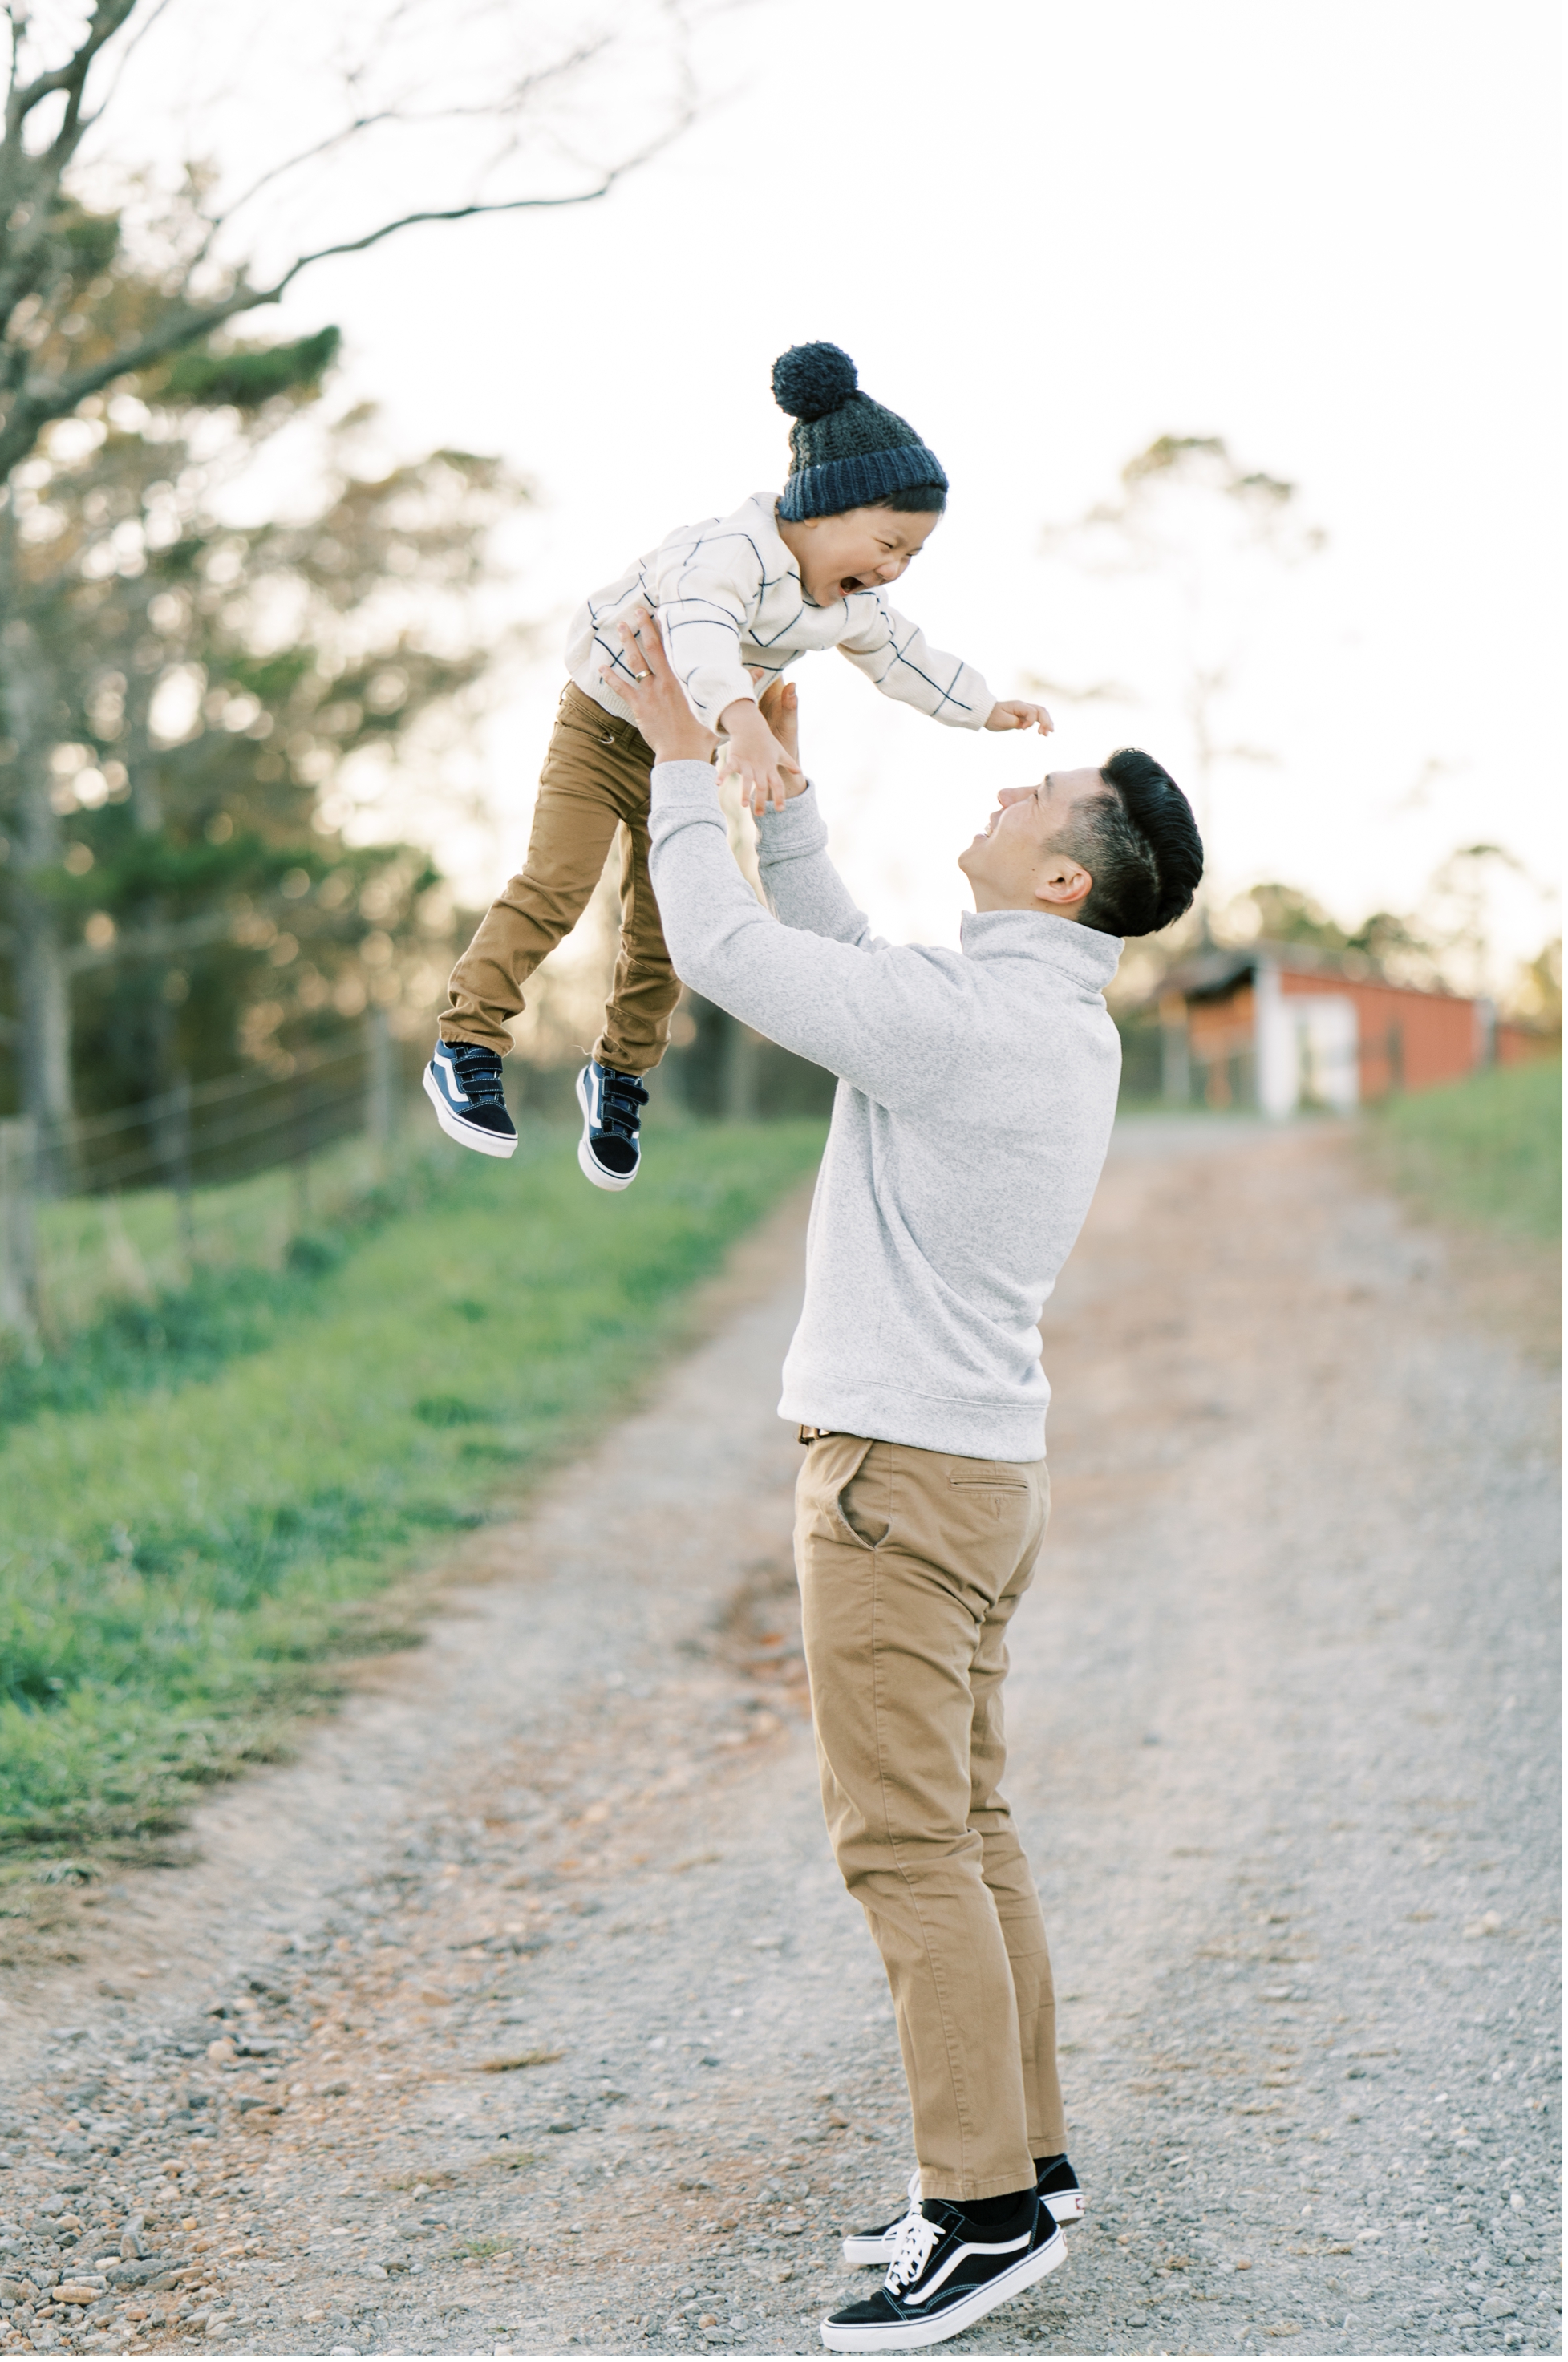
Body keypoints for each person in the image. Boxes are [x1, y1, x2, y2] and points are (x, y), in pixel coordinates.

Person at [607, 610, 1203, 2354]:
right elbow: (850, 950)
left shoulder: (972, 1026)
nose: (1017, 778)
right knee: (974, 1823)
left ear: (1067, 881)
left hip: (893, 1480)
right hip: (972, 1474)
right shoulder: (1024, 1014)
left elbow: (724, 951)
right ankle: (1025, 2159)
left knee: (905, 1844)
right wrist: (776, 792)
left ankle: (985, 2213)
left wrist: (673, 761)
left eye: (1049, 791)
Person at [422, 340, 1053, 1194]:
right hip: (605, 731)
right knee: (557, 883)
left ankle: (619, 1074)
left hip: (681, 760)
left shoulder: (846, 601)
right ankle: (466, 1040)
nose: (891, 570)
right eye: (886, 542)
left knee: (663, 930)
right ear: (824, 508)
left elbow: (903, 654)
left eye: (910, 556)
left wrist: (981, 707)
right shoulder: (729, 552)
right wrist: (742, 721)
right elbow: (698, 631)